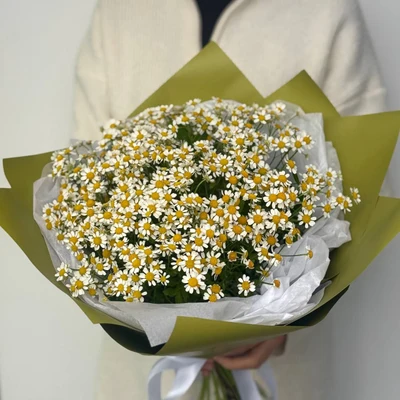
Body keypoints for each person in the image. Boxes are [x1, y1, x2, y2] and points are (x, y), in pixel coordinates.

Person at [73, 0, 387, 398]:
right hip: (142, 375)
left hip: (282, 371)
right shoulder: (118, 11)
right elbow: (82, 178)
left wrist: (280, 321)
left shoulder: (326, 9)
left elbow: (370, 177)